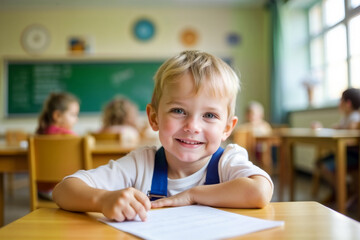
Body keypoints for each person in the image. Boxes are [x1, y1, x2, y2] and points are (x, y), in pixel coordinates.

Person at [52, 50, 273, 222]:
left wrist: (193, 195)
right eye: (178, 111)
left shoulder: (227, 162)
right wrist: (102, 200)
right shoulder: (141, 164)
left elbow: (260, 191)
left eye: (209, 115)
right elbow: (63, 190)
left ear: (227, 128)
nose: (192, 126)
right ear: (154, 118)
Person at [316, 88, 360, 204]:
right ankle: (341, 190)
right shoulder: (346, 117)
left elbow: (350, 135)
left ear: (348, 103)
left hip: (353, 155)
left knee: (325, 166)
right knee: (319, 162)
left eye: (341, 100)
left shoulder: (355, 118)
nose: (339, 103)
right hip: (344, 153)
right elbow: (338, 129)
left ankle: (343, 191)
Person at [35, 91, 80, 199]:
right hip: (61, 191)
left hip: (41, 190)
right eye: (73, 115)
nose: (76, 119)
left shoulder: (40, 134)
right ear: (57, 115)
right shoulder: (71, 137)